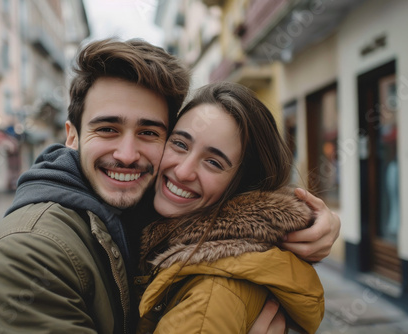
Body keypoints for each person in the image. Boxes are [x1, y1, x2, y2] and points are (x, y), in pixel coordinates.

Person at [0, 39, 338, 334]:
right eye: (107, 128)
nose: (126, 154)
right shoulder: (30, 255)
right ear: (71, 137)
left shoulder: (144, 218)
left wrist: (302, 222)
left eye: (150, 133)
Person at [137, 82, 324, 333]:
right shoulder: (158, 227)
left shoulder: (211, 294)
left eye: (213, 162)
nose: (182, 171)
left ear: (243, 186)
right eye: (180, 144)